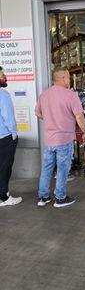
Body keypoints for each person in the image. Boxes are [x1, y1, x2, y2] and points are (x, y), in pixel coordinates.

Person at [35, 67, 85, 207]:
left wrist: (52, 119)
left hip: (49, 139)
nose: (69, 80)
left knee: (47, 168)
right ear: (63, 78)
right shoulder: (70, 95)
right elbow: (79, 116)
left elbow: (38, 113)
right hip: (64, 139)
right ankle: (60, 198)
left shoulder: (44, 95)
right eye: (69, 78)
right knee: (62, 169)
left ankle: (43, 197)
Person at [0, 69, 22, 206]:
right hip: (5, 137)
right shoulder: (3, 95)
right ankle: (3, 197)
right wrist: (14, 133)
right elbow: (7, 116)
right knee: (5, 167)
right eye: (2, 75)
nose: (5, 77)